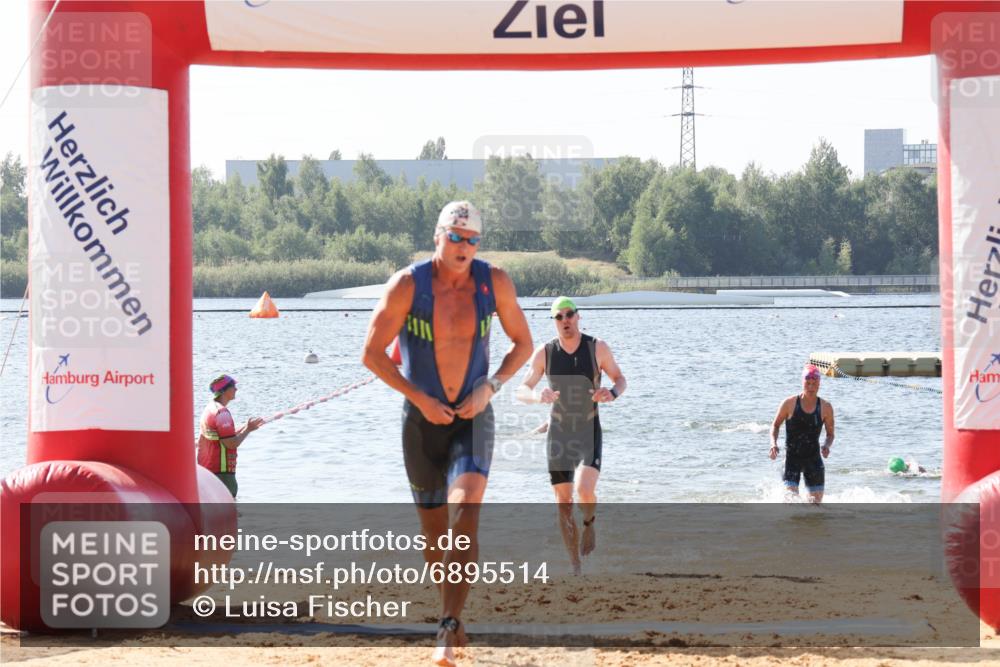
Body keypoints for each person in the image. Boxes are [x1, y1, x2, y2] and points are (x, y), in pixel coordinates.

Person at [361, 200, 533, 667]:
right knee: (434, 536)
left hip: (473, 418)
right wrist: (419, 398)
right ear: (437, 236)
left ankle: (448, 625)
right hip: (421, 424)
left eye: (471, 239)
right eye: (454, 237)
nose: (462, 247)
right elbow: (372, 354)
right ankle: (450, 611)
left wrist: (492, 387)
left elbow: (524, 343)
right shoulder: (406, 286)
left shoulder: (492, 281)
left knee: (464, 516)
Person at [515, 296, 626, 574]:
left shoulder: (597, 347)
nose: (565, 321)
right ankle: (575, 566)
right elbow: (522, 389)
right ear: (554, 322)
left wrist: (611, 393)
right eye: (559, 317)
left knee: (584, 490)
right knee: (563, 502)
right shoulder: (545, 352)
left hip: (588, 429)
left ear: (578, 317)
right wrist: (536, 395)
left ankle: (589, 524)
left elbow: (620, 379)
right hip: (559, 432)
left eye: (569, 315)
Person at [769, 364, 835, 503]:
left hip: (813, 459)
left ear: (819, 384)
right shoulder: (789, 403)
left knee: (815, 506)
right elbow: (775, 425)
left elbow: (830, 434)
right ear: (802, 382)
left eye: (814, 383)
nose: (811, 387)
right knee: (791, 502)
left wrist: (826, 446)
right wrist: (773, 444)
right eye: (808, 383)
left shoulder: (826, 407)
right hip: (792, 459)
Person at [196, 374, 264, 499]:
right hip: (222, 474)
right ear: (224, 390)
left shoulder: (209, 409)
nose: (236, 389)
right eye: (233, 386)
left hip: (207, 471)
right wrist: (248, 430)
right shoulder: (222, 413)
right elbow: (231, 443)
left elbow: (220, 437)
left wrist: (245, 427)